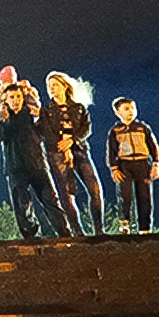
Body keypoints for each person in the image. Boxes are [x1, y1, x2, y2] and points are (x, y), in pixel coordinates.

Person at [0, 80, 70, 238]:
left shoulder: (31, 114)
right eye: (11, 97)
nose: (15, 100)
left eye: (18, 96)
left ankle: (65, 235)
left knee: (51, 201)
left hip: (37, 165)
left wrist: (40, 117)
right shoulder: (4, 118)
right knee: (22, 205)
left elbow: (48, 133)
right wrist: (1, 120)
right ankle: (32, 238)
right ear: (5, 100)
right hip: (15, 167)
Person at [40, 72, 105, 236]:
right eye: (49, 86)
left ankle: (99, 229)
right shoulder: (47, 110)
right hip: (57, 152)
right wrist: (62, 145)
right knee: (66, 191)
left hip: (80, 150)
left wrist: (73, 140)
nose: (51, 88)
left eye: (55, 84)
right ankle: (78, 231)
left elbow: (86, 128)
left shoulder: (78, 107)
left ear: (64, 85)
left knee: (94, 188)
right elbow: (46, 131)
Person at [106, 97, 159, 234]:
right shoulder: (115, 130)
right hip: (124, 164)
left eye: (133, 108)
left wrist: (156, 163)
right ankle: (124, 224)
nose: (131, 111)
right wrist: (114, 168)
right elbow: (111, 150)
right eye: (126, 109)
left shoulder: (143, 128)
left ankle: (144, 228)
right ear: (117, 112)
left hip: (142, 163)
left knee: (144, 196)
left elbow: (153, 146)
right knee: (124, 196)